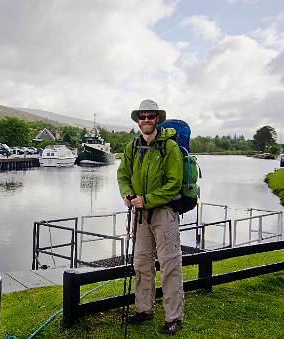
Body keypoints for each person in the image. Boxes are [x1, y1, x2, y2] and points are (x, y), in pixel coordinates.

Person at [117, 99, 184, 335]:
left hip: (165, 213)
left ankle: (174, 317)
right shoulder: (132, 147)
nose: (146, 120)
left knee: (169, 266)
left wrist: (147, 199)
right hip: (141, 214)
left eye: (150, 116)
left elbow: (174, 184)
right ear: (137, 120)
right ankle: (144, 309)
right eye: (142, 117)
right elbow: (123, 174)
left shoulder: (170, 147)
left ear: (157, 119)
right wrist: (127, 194)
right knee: (141, 264)